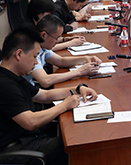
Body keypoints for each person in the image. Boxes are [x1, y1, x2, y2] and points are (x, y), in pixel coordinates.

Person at [0, 27, 98, 165]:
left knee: (75, 134)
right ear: (19, 54)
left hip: (26, 137)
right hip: (15, 147)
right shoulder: (5, 84)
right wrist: (64, 106)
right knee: (78, 144)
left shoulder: (13, 77)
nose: (36, 62)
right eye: (35, 56)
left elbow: (44, 95)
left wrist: (77, 89)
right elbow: (30, 122)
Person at [24, 15, 100, 87]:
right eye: (56, 38)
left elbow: (60, 61)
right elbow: (45, 81)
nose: (57, 41)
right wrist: (79, 72)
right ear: (44, 35)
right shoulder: (32, 50)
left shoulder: (43, 47)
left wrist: (86, 58)